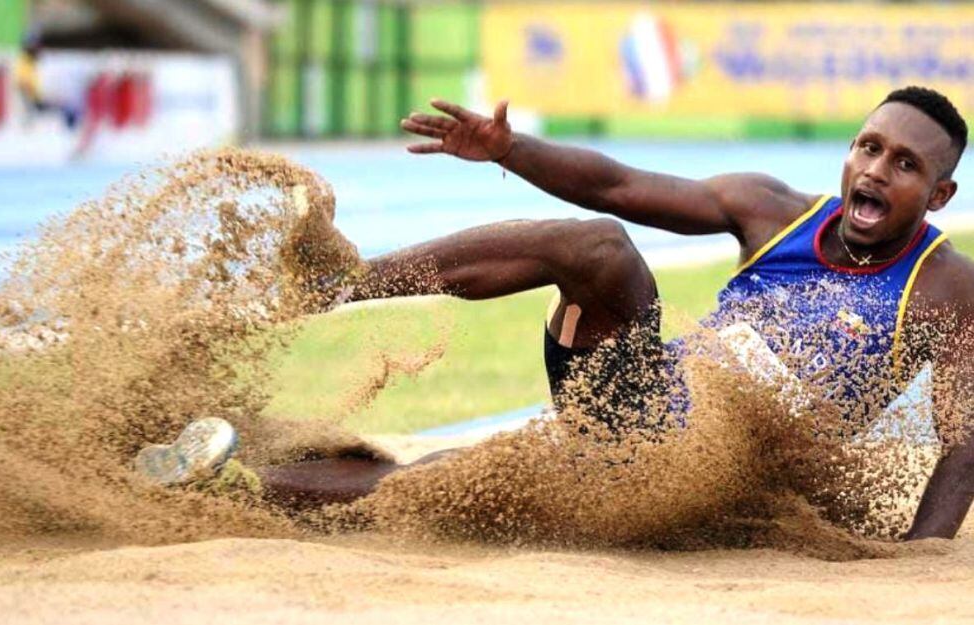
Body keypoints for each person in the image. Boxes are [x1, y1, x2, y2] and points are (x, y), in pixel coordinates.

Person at [139, 85, 974, 541]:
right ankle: (335, 283)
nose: (876, 170)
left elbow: (964, 444)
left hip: (714, 471)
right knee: (598, 246)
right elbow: (618, 186)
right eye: (868, 146)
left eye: (905, 165)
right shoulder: (774, 210)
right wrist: (510, 149)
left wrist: (920, 555)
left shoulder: (947, 288)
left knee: (455, 480)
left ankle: (236, 485)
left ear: (938, 195)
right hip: (640, 398)